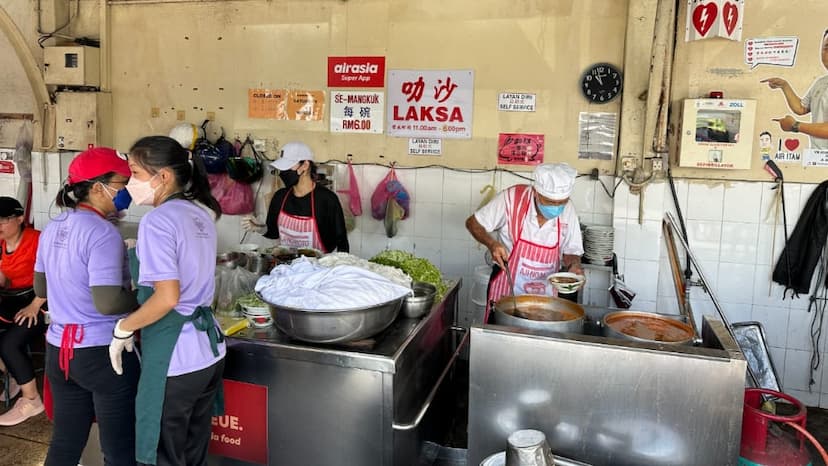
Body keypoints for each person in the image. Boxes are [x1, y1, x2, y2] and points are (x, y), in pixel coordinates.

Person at [109, 135, 225, 466]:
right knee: (190, 453)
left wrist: (124, 328)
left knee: (162, 455)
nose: (131, 181)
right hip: (208, 354)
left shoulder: (157, 221)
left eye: (135, 172)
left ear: (163, 176)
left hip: (177, 359)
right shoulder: (200, 213)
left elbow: (168, 297)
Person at [35, 147, 140, 465]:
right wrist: (144, 299)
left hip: (59, 352)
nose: (126, 193)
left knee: (66, 443)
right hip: (102, 354)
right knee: (119, 450)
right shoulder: (102, 233)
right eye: (122, 185)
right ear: (97, 187)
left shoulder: (54, 226)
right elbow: (108, 303)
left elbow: (41, 288)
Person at [465, 163, 585, 320]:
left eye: (561, 202)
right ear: (536, 192)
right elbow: (473, 223)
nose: (556, 207)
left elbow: (571, 251)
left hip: (547, 300)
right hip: (506, 291)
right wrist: (492, 244)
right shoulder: (511, 198)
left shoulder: (568, 209)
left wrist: (574, 265)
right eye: (550, 202)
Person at [241, 142, 349, 253]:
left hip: (320, 268)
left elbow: (342, 242)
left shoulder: (327, 199)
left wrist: (340, 267)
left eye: (287, 167)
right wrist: (259, 228)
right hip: (287, 265)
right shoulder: (280, 197)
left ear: (305, 165)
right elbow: (273, 233)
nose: (283, 172)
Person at [0, 197, 47, 426]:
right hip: (13, 300)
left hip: (42, 301)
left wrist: (35, 305)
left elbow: (56, 275)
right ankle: (14, 373)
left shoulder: (37, 240)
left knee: (9, 344)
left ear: (20, 218)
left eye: (3, 220)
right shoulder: (0, 243)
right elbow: (4, 280)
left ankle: (32, 400)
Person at [762, 30, 828, 150]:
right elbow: (802, 108)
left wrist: (795, 126)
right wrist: (784, 86)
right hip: (818, 156)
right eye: (827, 47)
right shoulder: (821, 82)